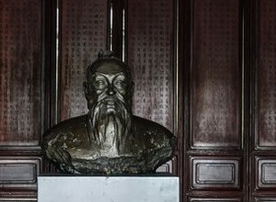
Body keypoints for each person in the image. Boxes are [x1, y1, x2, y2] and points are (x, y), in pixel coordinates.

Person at [42, 51, 176, 174]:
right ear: (87, 91)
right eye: (100, 83)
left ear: (130, 91)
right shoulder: (57, 140)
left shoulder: (160, 139)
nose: (110, 91)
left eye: (119, 83)